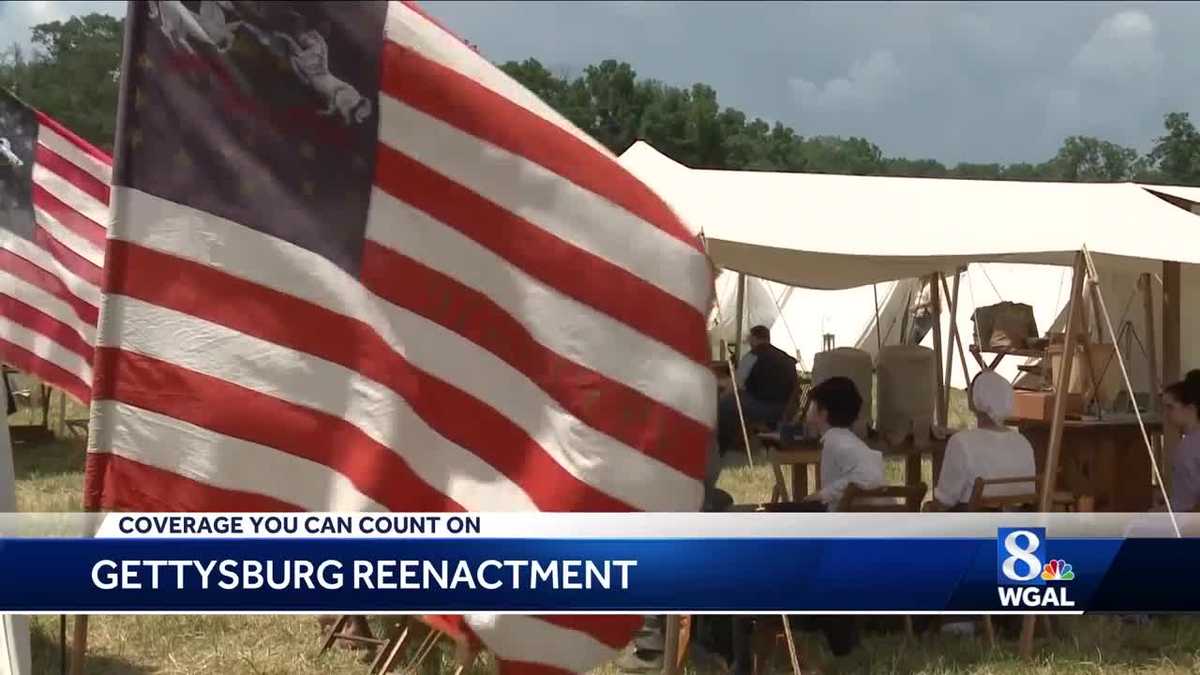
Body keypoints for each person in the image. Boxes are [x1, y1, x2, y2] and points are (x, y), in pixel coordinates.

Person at [927, 371, 1036, 511]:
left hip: (971, 527)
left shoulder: (962, 443)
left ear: (975, 400)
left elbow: (945, 500)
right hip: (1014, 526)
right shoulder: (1023, 443)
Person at [802, 376, 884, 510]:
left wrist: (824, 494)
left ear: (823, 413)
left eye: (811, 404)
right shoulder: (845, 439)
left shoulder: (836, 441)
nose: (807, 410)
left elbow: (870, 477)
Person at [717, 325, 798, 453]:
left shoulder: (752, 356)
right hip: (787, 409)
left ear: (754, 338)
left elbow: (735, 384)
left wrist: (721, 393)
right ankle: (741, 440)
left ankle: (723, 446)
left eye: (750, 339)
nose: (749, 342)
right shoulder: (787, 358)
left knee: (725, 404)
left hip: (763, 407)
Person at [1162, 370, 1200, 512]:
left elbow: (1188, 504)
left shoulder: (1189, 448)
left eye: (1170, 408)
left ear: (1190, 408)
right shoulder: (1187, 444)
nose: (1166, 415)